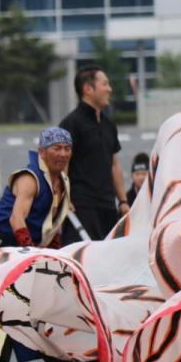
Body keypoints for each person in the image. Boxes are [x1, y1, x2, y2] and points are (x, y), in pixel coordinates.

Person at [0, 127, 73, 362]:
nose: (63, 153)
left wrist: (54, 252)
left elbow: (51, 222)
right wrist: (31, 252)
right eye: (56, 148)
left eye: (67, 148)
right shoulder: (29, 178)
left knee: (44, 300)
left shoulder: (61, 180)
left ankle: (83, 356)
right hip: (0, 250)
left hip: (25, 250)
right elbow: (17, 218)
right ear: (42, 152)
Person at [60, 65, 128, 243]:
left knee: (109, 261)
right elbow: (62, 164)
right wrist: (63, 198)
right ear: (88, 89)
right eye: (104, 84)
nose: (109, 89)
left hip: (108, 206)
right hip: (81, 206)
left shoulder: (109, 125)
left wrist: (122, 201)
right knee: (82, 259)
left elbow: (115, 165)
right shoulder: (71, 123)